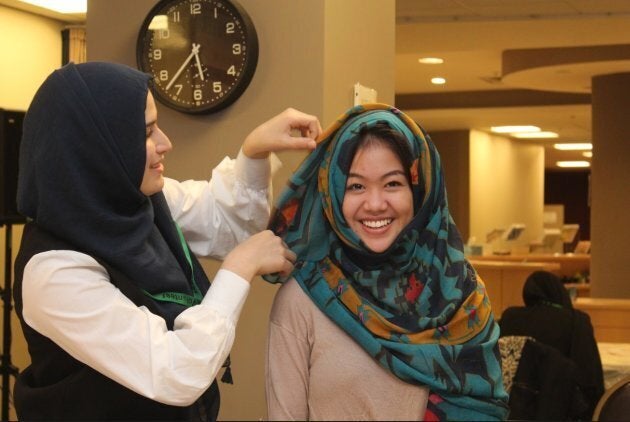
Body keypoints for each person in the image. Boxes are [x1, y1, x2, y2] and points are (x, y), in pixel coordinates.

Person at [12, 61, 321, 421]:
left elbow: (228, 223)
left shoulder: (140, 202)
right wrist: (240, 266)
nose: (166, 143)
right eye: (147, 132)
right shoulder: (53, 272)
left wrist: (253, 152)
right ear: (97, 148)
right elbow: (176, 372)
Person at [263, 104, 508, 421]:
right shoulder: (304, 298)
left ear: (420, 191)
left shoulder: (461, 291)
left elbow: (484, 406)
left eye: (393, 183)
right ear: (334, 195)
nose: (375, 204)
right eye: (356, 186)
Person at [499, 270, 604, 419]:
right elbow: (590, 377)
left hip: (512, 404)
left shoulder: (510, 317)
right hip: (559, 405)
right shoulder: (575, 321)